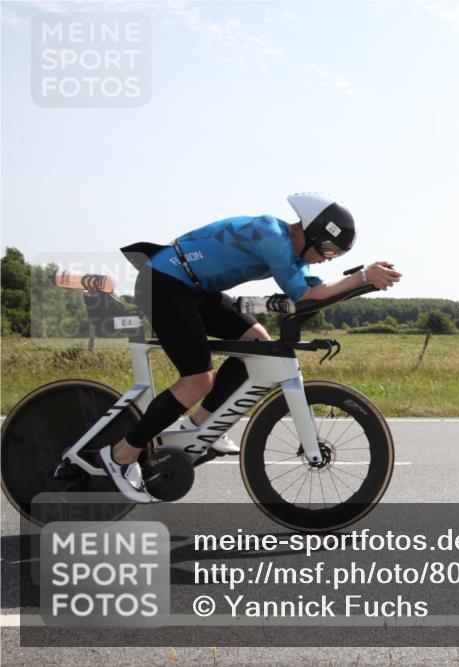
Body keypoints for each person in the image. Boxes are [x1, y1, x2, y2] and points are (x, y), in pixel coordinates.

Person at [101, 193, 402, 502]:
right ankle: (122, 454)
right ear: (311, 233)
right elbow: (306, 296)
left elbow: (315, 292)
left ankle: (201, 427)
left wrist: (360, 281)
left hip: (195, 288)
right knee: (198, 379)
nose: (327, 258)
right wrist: (363, 277)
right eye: (327, 249)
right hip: (163, 282)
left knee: (257, 346)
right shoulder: (273, 238)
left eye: (335, 256)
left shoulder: (293, 252)